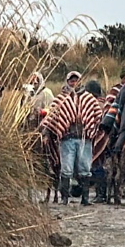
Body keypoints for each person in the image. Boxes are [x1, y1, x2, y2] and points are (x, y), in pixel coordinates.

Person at [41, 70, 102, 205]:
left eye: (76, 80)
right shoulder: (60, 99)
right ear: (67, 82)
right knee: (66, 169)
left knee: (85, 168)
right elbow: (51, 117)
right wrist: (46, 133)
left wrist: (93, 129)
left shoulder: (89, 98)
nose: (74, 83)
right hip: (67, 138)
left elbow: (98, 115)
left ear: (80, 81)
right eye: (71, 80)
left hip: (84, 138)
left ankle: (85, 199)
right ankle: (64, 199)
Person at [84, 80, 108, 203]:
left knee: (97, 165)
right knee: (98, 165)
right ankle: (100, 193)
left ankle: (101, 194)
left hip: (99, 137)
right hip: (103, 137)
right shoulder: (104, 103)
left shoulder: (95, 104)